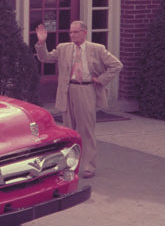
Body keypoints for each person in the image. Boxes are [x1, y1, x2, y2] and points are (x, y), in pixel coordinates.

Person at [35, 21, 122, 178]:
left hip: (86, 90)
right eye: (71, 32)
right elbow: (45, 58)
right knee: (68, 131)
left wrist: (101, 79)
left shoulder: (97, 49)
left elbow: (116, 65)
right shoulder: (63, 48)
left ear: (84, 33)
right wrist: (41, 42)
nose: (72, 35)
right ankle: (67, 164)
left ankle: (89, 166)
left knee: (86, 130)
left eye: (75, 32)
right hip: (67, 90)